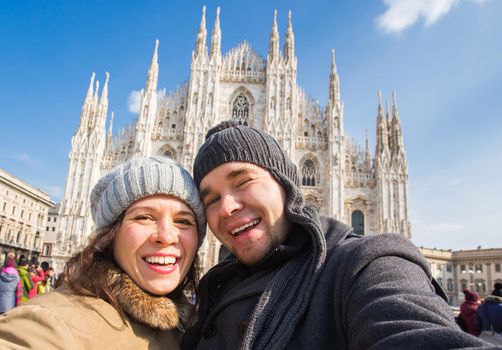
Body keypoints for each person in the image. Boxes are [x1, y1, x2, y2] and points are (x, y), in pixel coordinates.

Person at [182, 121, 488, 349]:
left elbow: (411, 328)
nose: (227, 208)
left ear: (286, 184)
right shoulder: (214, 286)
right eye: (211, 199)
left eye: (243, 181)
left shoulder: (364, 265)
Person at [0, 156, 206, 349]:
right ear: (110, 234)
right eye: (144, 217)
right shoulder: (50, 324)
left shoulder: (188, 327)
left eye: (183, 221)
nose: (167, 236)